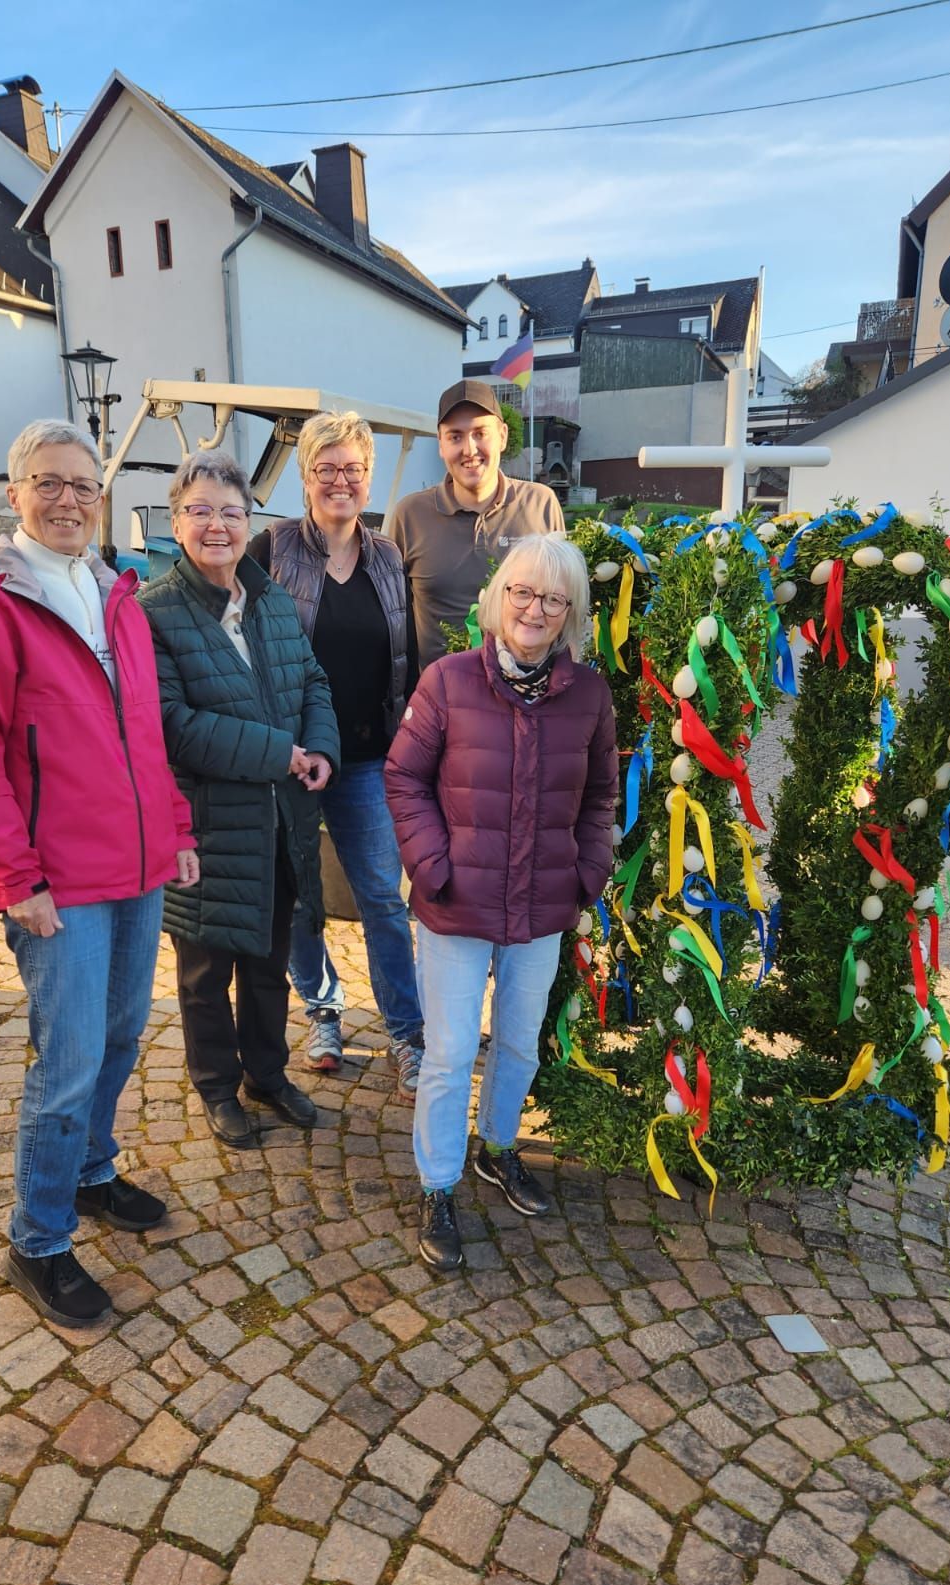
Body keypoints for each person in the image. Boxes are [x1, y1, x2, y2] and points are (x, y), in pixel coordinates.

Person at [0, 419, 199, 1329]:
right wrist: (18, 875)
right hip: (59, 883)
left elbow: (145, 733)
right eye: (50, 483)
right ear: (17, 495)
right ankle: (38, 1240)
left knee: (120, 1038)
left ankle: (90, 1173)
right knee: (69, 1059)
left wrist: (175, 827)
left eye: (84, 484)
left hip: (137, 865)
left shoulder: (115, 592)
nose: (70, 499)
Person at [385, 535, 618, 1272]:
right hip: (456, 902)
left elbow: (600, 797)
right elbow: (404, 779)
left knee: (518, 1042)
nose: (535, 609)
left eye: (554, 598)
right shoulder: (447, 681)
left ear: (570, 612)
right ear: (497, 598)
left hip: (543, 903)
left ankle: (499, 1147)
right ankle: (439, 1185)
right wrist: (432, 864)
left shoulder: (589, 695)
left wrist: (586, 873)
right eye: (523, 591)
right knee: (450, 1053)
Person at [139, 449, 340, 1151]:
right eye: (201, 511)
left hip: (280, 819)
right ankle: (218, 1088)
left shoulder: (271, 598)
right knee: (204, 972)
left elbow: (312, 680)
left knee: (268, 961)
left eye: (231, 512)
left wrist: (319, 748)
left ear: (250, 520)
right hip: (207, 825)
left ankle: (267, 1074)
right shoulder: (153, 610)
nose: (217, 525)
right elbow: (172, 725)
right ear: (176, 522)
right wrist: (277, 753)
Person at [248, 411, 424, 1095]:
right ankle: (322, 1008)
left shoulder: (386, 557)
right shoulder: (273, 548)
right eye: (327, 469)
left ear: (368, 477)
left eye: (353, 469)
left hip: (369, 757)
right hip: (293, 756)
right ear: (307, 477)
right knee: (297, 897)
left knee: (383, 896)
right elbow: (247, 645)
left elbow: (403, 655)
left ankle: (407, 1034)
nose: (340, 481)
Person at [391, 378, 566, 668]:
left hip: (528, 696)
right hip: (441, 703)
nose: (469, 449)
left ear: (503, 436)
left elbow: (563, 604)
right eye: (455, 436)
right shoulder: (409, 516)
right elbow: (392, 618)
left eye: (480, 433)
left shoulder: (541, 505)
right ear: (441, 444)